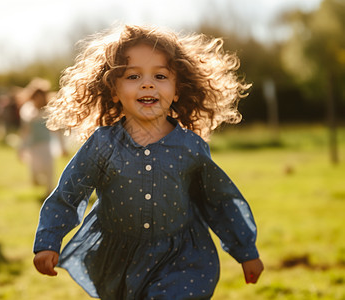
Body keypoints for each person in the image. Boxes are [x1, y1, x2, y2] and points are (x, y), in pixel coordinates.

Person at [33, 24, 264, 299]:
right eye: (133, 76)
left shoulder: (190, 147)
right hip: (118, 258)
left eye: (160, 75)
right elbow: (68, 195)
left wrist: (245, 250)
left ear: (177, 90)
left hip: (182, 258)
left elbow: (220, 200)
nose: (147, 83)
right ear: (114, 91)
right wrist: (48, 241)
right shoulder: (102, 145)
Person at [17, 78, 67, 195]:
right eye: (36, 97)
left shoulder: (49, 112)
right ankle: (39, 182)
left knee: (49, 169)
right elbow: (25, 132)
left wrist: (62, 147)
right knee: (34, 171)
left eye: (41, 96)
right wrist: (21, 148)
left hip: (47, 145)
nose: (38, 99)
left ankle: (50, 192)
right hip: (33, 146)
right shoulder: (28, 112)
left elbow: (57, 131)